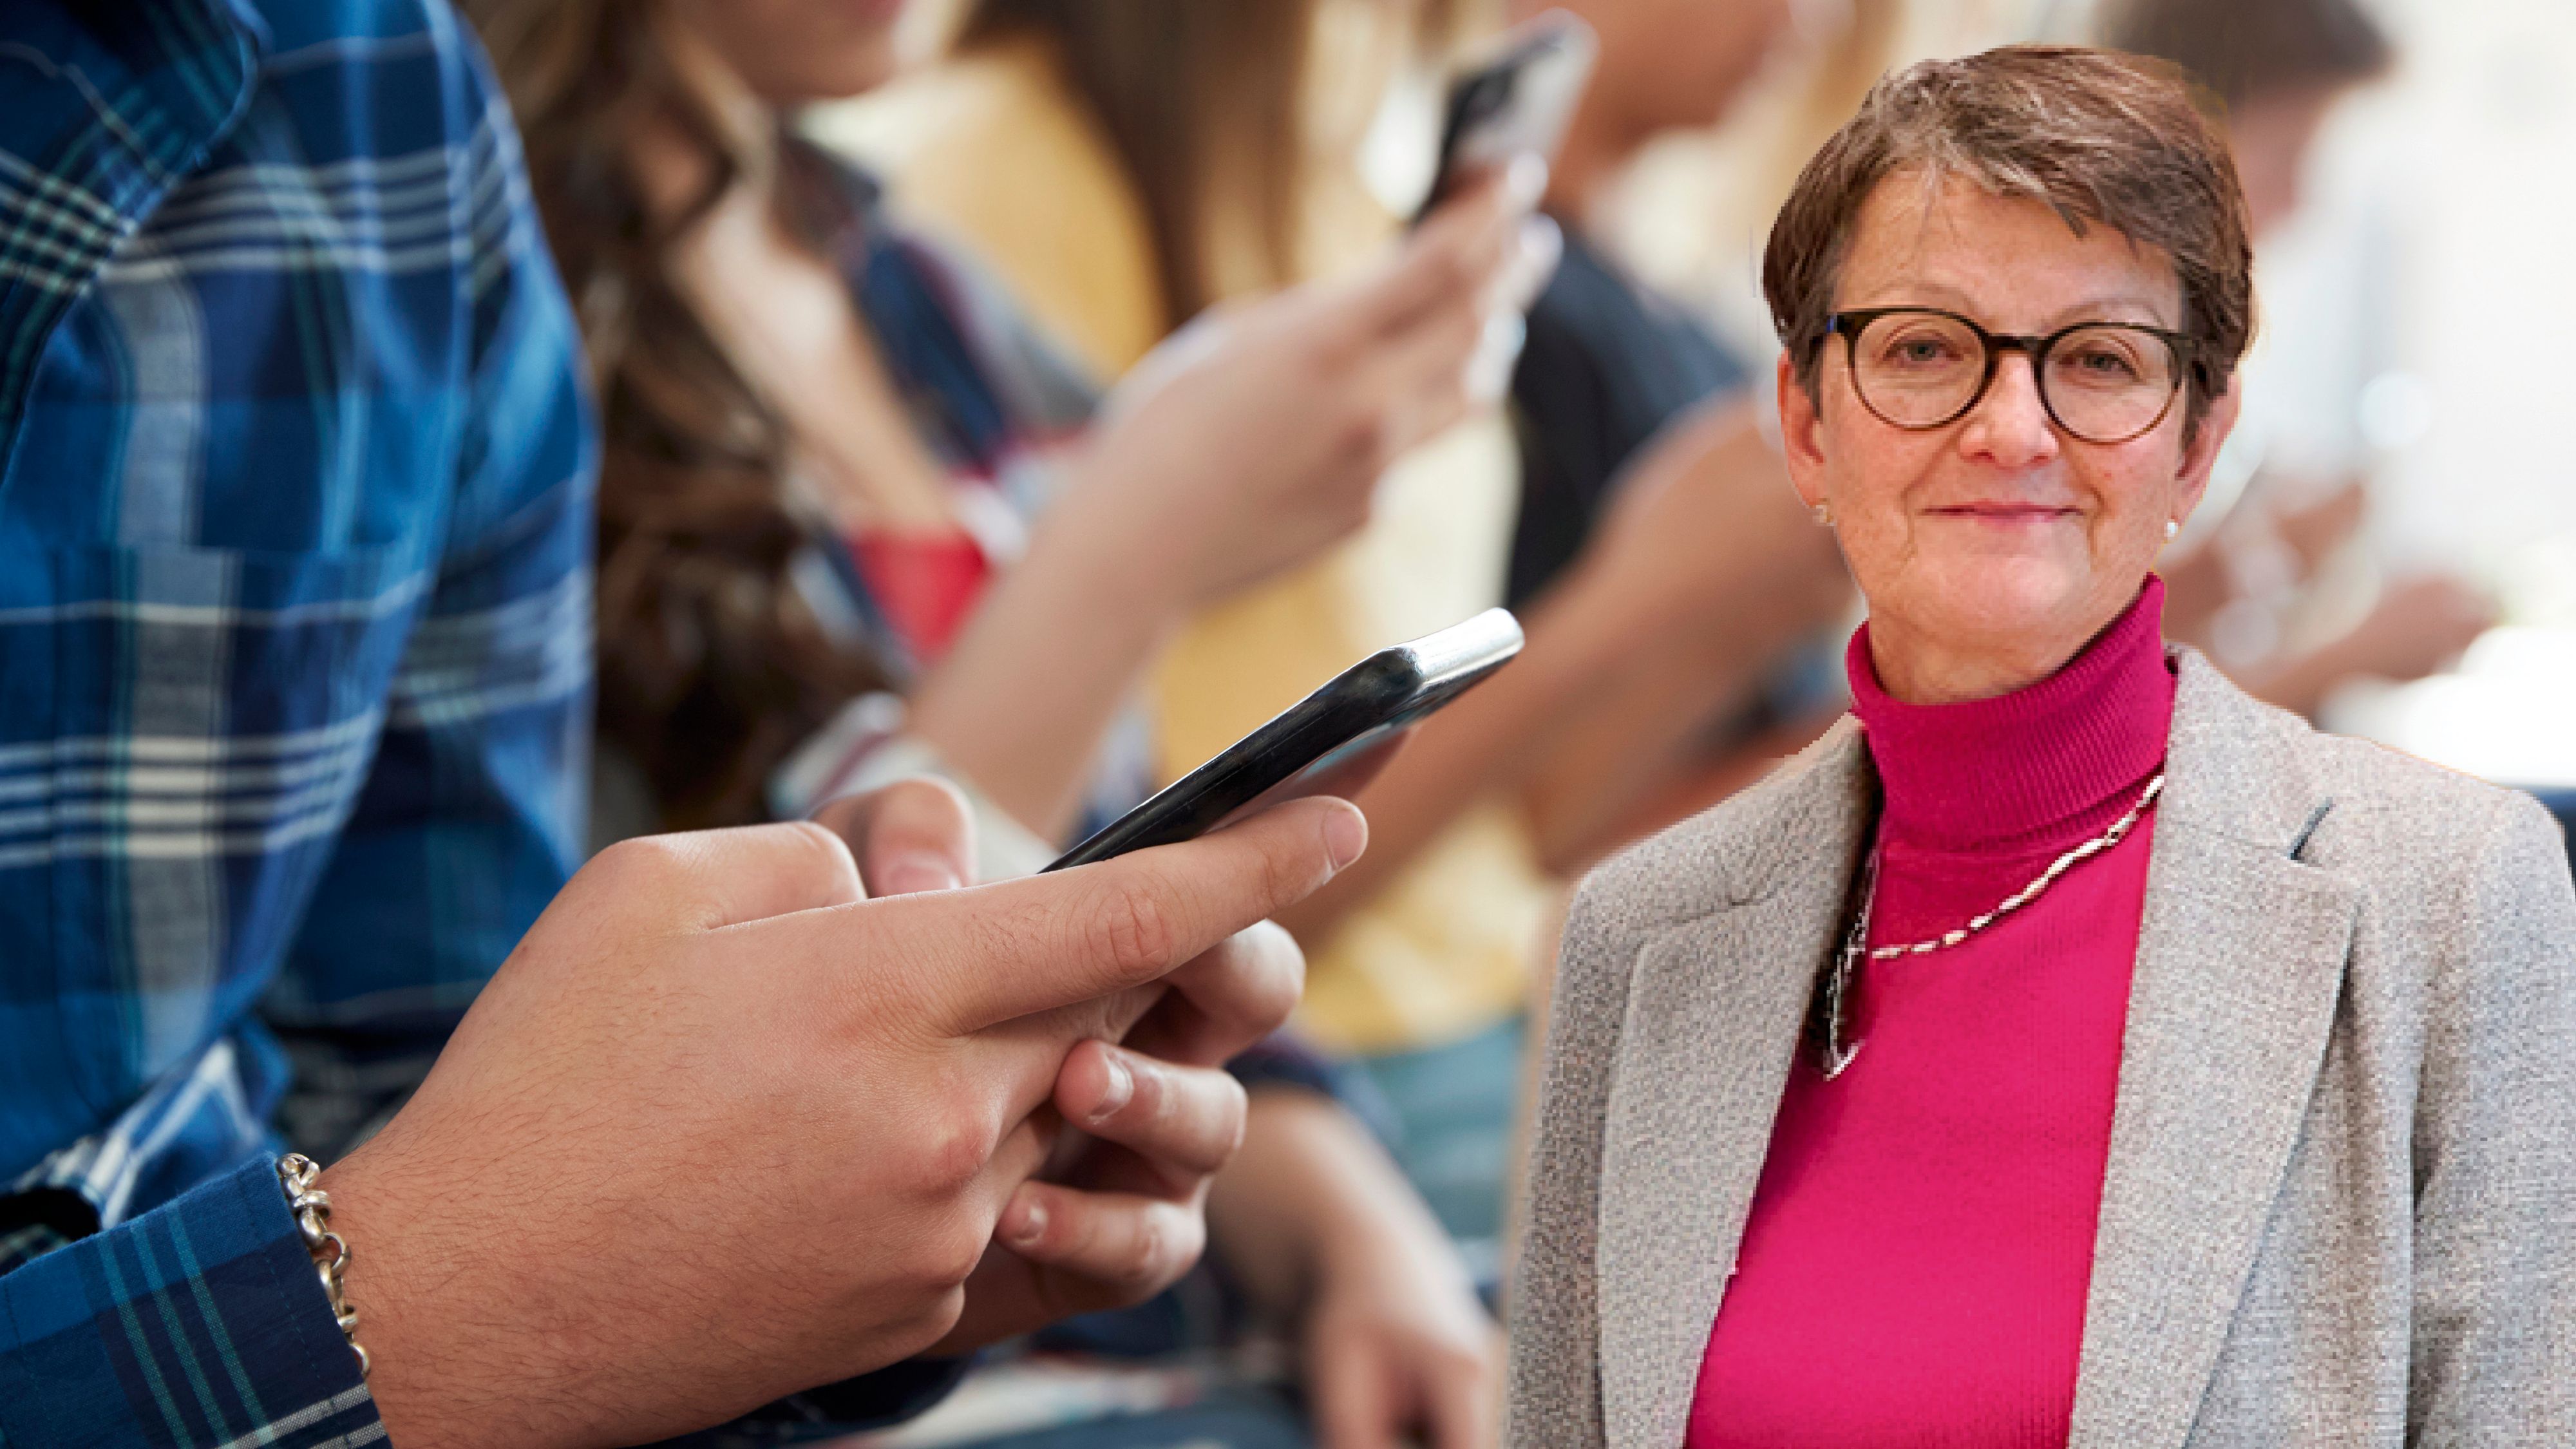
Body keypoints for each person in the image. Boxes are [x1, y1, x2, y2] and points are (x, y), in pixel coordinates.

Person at [0, 2, 1349, 1443]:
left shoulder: (400, 115)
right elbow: (486, 1211)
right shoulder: (534, 237)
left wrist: (827, 1235)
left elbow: (438, 1094)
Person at [461, 0, 1522, 1443]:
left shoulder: (916, 289)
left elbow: (1136, 922)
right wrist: (1132, 546)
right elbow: (728, 1087)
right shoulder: (493, 327)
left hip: (1126, 1298)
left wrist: (1357, 1242)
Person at [1510, 46, 2576, 1447]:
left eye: (2098, 361)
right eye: (1922, 350)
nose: (2009, 428)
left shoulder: (2450, 905)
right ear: (1807, 427)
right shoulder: (1641, 939)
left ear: (2195, 447)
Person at [828, 0, 1849, 1256]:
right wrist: (1638, 604)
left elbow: (1515, 826)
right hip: (1332, 1060)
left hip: (1488, 1018)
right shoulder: (1007, 192)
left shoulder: (1359, 195)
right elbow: (1133, 895)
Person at [2107, 0, 2497, 719]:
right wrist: (2353, 653)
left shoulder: (2168, 339)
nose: (2297, 201)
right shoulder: (2087, 352)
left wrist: (2270, 548)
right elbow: (2105, 725)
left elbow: (2134, 633)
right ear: (2172, 134)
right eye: (2285, 154)